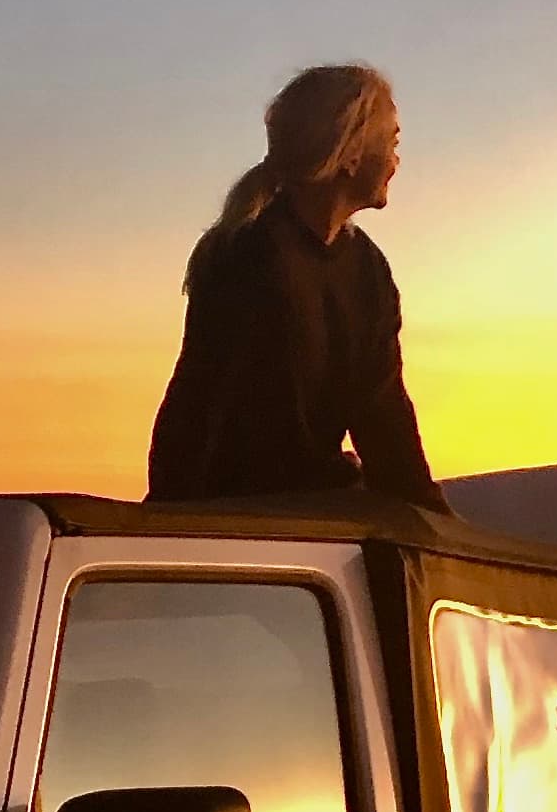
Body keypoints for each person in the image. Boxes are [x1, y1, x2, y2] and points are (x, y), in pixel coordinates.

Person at [146, 61, 449, 510]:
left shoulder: (368, 270)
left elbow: (384, 417)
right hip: (248, 520)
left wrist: (433, 517)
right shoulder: (249, 257)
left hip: (316, 514)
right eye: (392, 142)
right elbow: (197, 413)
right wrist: (168, 526)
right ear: (349, 154)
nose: (396, 161)